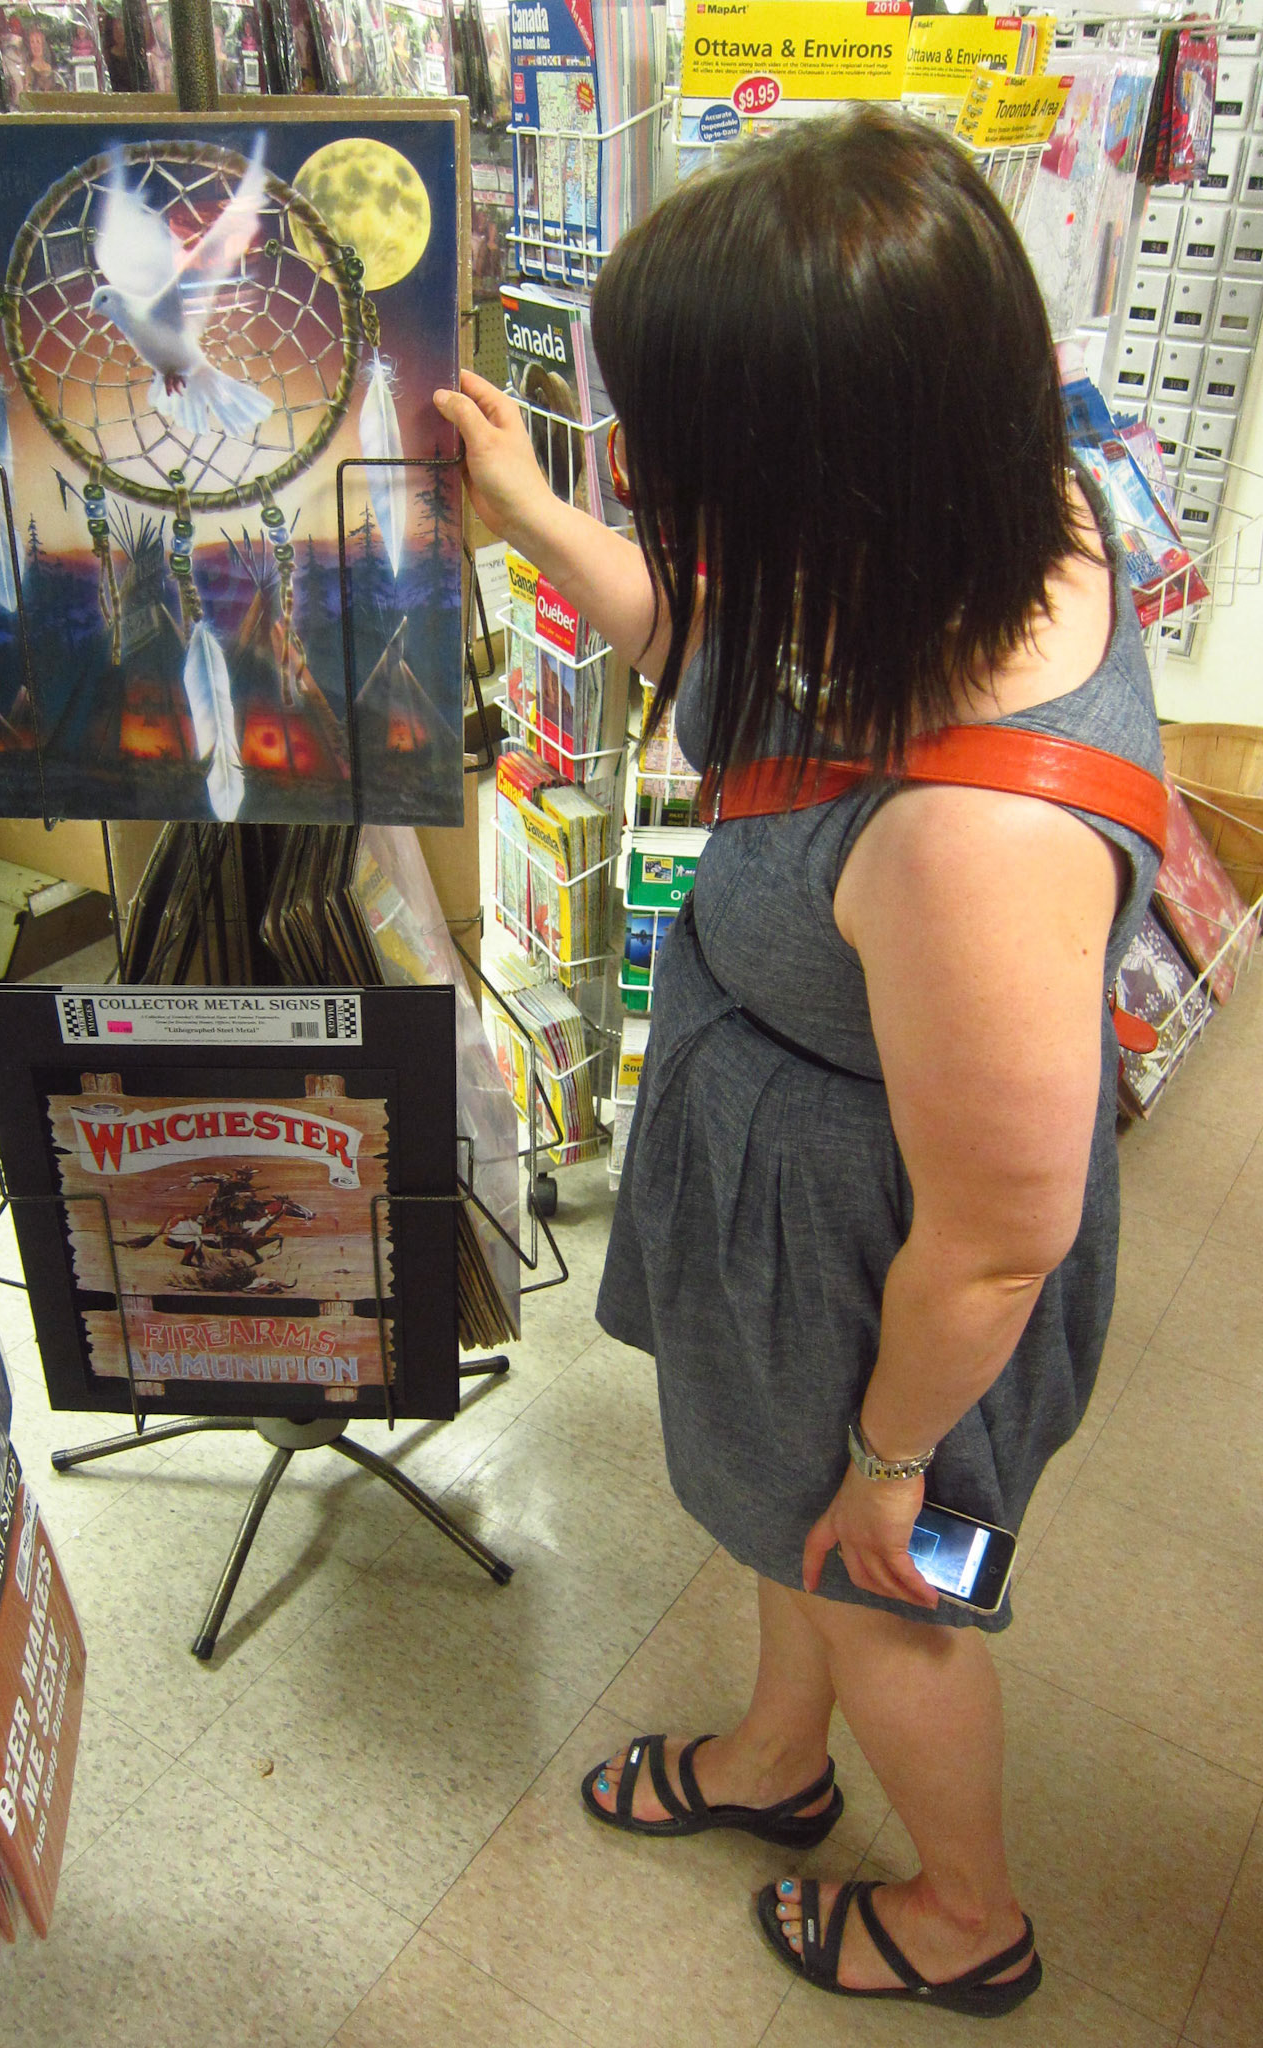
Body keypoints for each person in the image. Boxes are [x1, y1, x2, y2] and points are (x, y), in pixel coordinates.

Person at [434, 107, 1164, 2020]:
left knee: (885, 1583)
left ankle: (965, 1913)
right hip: (813, 1204)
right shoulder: (985, 531)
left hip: (899, 1287)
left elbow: (1000, 1238)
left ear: (823, 483)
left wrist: (890, 1456)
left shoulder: (976, 841)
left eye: (685, 471)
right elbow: (722, 635)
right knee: (792, 1530)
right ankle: (775, 1762)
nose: (663, 502)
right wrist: (531, 512)